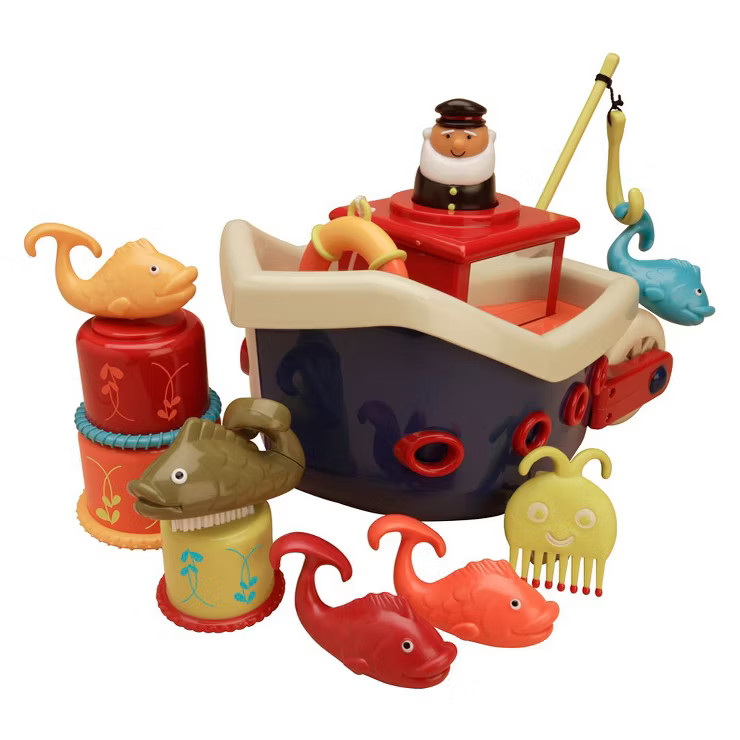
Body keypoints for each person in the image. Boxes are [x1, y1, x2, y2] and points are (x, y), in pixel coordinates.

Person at [412, 99, 497, 211]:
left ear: (489, 136)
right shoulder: (428, 168)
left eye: (469, 137)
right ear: (430, 134)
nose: (458, 145)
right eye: (447, 136)